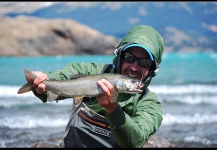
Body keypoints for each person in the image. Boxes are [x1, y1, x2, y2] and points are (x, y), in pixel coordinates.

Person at [29, 25, 171, 148]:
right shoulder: (92, 72)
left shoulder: (149, 103)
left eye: (144, 63)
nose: (134, 67)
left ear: (152, 69)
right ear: (120, 57)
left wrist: (113, 109)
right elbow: (65, 75)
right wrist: (44, 84)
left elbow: (134, 141)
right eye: (129, 58)